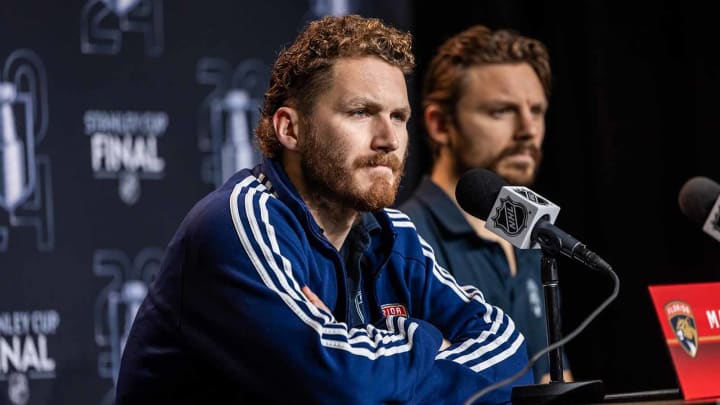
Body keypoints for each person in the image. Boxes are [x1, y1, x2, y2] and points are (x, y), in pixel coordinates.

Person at [116, 15, 532, 404]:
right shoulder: (238, 222)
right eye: (361, 112)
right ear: (290, 129)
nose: (389, 139)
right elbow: (339, 386)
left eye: (399, 117)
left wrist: (367, 352)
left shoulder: (394, 235)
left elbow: (511, 359)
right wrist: (427, 340)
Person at [399, 25, 573, 383]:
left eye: (537, 110)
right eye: (501, 111)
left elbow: (556, 380)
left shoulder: (533, 235)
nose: (528, 129)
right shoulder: (404, 242)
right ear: (439, 125)